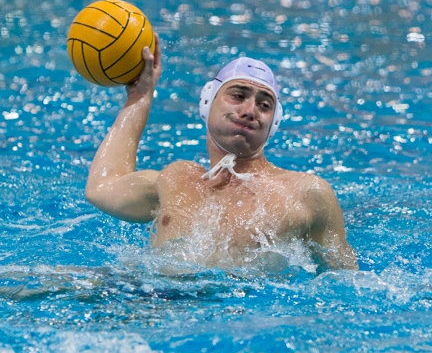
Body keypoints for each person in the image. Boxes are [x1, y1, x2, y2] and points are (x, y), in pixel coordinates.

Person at [85, 36, 357, 269]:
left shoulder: (307, 195)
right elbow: (101, 187)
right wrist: (140, 95)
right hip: (150, 297)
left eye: (264, 105)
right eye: (238, 96)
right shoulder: (175, 180)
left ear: (273, 124)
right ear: (207, 102)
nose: (250, 111)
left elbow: (344, 281)